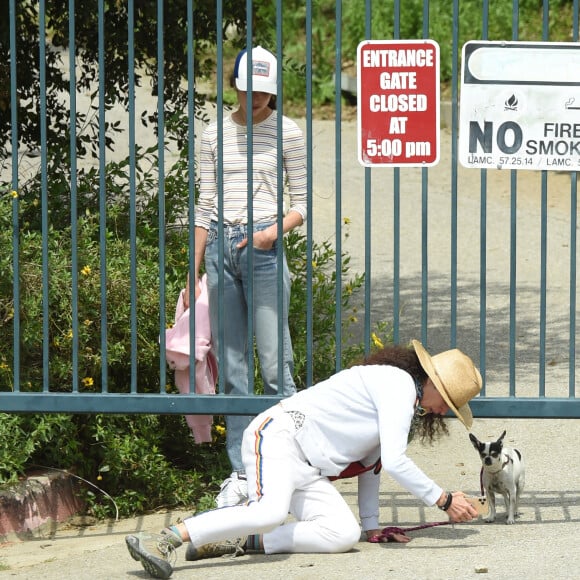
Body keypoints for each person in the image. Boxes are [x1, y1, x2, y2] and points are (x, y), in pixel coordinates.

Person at [125, 339, 483, 579]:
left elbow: (373, 464)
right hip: (278, 437)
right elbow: (395, 460)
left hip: (307, 467)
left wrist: (372, 528)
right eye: (448, 402)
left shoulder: (402, 395)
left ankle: (239, 541)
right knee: (269, 512)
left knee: (342, 534)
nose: (443, 412)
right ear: (432, 382)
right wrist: (444, 499)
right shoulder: (398, 386)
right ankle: (168, 538)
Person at [183, 45, 307, 508]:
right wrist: (194, 268)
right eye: (248, 90)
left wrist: (269, 235)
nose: (256, 100)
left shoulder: (288, 133)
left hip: (263, 248)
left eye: (265, 93)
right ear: (233, 86)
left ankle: (292, 467)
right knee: (234, 371)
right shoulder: (213, 134)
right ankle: (242, 475)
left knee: (276, 368)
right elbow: (204, 202)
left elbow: (303, 203)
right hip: (218, 247)